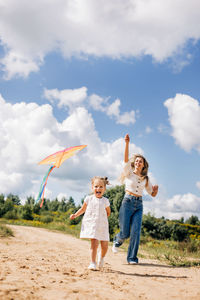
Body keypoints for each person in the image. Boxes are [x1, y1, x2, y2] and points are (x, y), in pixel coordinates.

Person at [112, 134, 158, 264]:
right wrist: (127, 143)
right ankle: (117, 240)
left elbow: (152, 194)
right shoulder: (129, 172)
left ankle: (132, 258)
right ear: (134, 163)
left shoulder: (146, 179)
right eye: (136, 161)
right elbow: (126, 159)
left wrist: (155, 191)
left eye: (140, 161)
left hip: (139, 205)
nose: (138, 162)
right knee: (125, 232)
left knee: (136, 232)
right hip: (127, 202)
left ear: (144, 165)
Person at [70, 176, 111, 271]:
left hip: (103, 226)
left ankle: (101, 257)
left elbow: (108, 212)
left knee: (104, 246)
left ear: (104, 188)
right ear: (92, 187)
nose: (98, 189)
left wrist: (102, 219)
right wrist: (75, 215)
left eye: (101, 187)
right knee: (94, 244)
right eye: (96, 186)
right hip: (93, 225)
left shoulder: (106, 201)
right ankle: (93, 262)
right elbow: (83, 209)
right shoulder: (88, 199)